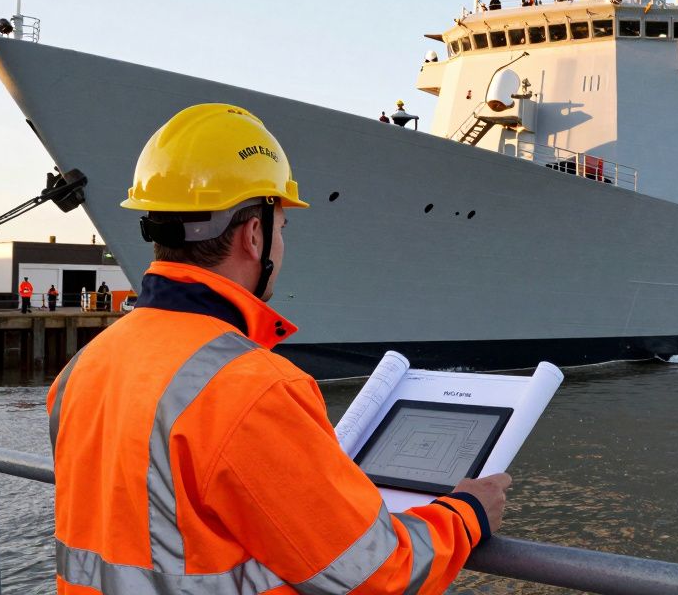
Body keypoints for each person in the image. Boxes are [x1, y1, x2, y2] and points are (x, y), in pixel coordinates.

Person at [47, 103, 509, 594]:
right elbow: (377, 574)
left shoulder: (83, 367)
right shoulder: (255, 386)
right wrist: (467, 513)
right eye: (281, 228)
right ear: (253, 235)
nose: (282, 245)